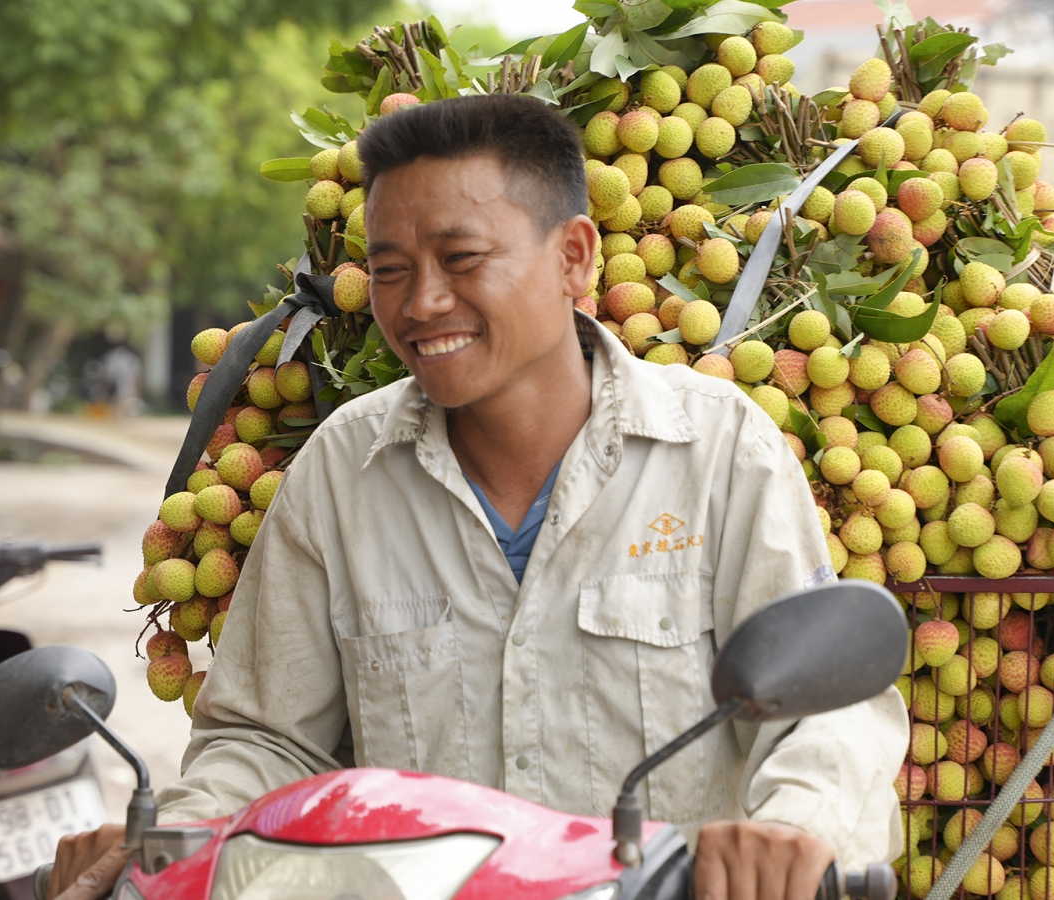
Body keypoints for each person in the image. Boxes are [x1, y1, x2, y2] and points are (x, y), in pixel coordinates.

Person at [51, 94, 908, 900]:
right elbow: (267, 739)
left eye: (461, 259)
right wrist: (177, 838)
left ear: (574, 257)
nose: (421, 302)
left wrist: (796, 830)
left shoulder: (719, 452)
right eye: (390, 270)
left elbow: (826, 714)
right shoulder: (342, 470)